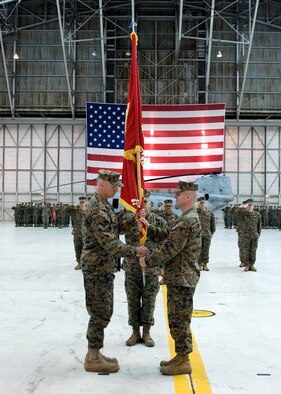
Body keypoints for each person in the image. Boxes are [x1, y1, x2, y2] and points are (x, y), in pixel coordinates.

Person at [81, 170, 148, 374]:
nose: (117, 189)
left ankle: (96, 352)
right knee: (100, 312)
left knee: (103, 310)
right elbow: (109, 241)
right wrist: (133, 251)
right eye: (114, 186)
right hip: (96, 268)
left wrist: (134, 217)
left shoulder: (103, 206)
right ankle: (93, 356)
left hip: (103, 267)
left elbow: (115, 225)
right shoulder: (96, 209)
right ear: (101, 184)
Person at [139, 181, 201, 376]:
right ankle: (180, 357)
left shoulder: (188, 220)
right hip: (180, 276)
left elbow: (170, 248)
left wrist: (147, 261)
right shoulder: (186, 218)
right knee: (177, 318)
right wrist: (150, 228)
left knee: (179, 320)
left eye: (179, 194)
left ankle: (183, 360)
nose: (175, 197)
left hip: (181, 278)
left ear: (188, 197)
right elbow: (169, 237)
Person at [119, 190, 168, 348]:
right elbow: (116, 231)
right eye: (139, 202)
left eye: (145, 202)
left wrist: (161, 265)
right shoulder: (129, 220)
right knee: (133, 300)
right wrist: (134, 219)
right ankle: (135, 332)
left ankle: (146, 332)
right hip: (132, 267)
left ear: (150, 203)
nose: (143, 205)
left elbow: (166, 238)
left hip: (151, 268)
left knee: (149, 300)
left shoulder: (158, 220)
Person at [235, 199, 261, 272]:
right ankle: (247, 265)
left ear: (253, 206)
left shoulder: (257, 215)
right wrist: (244, 205)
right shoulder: (242, 214)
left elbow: (259, 227)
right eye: (248, 205)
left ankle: (252, 264)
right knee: (245, 251)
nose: (250, 207)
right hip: (244, 237)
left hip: (254, 236)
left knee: (253, 251)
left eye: (251, 205)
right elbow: (236, 212)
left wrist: (257, 235)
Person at [157, 199, 178, 284]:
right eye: (166, 206)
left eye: (169, 206)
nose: (168, 208)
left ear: (172, 207)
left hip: (172, 241)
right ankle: (163, 276)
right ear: (164, 207)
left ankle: (168, 277)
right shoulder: (160, 217)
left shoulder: (176, 217)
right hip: (162, 241)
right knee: (162, 259)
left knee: (171, 260)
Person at [197, 196, 216, 271]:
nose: (202, 204)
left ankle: (205, 264)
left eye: (203, 203)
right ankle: (198, 264)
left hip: (207, 235)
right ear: (198, 204)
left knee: (206, 250)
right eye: (200, 203)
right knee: (198, 250)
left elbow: (213, 226)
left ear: (205, 203)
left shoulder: (210, 213)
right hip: (198, 235)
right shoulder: (195, 213)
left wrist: (210, 233)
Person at [67, 197, 87, 270]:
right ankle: (79, 263)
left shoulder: (89, 210)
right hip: (77, 233)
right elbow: (66, 210)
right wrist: (74, 205)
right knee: (77, 248)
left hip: (87, 234)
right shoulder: (76, 211)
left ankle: (86, 263)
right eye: (81, 202)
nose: (82, 204)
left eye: (83, 202)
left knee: (86, 249)